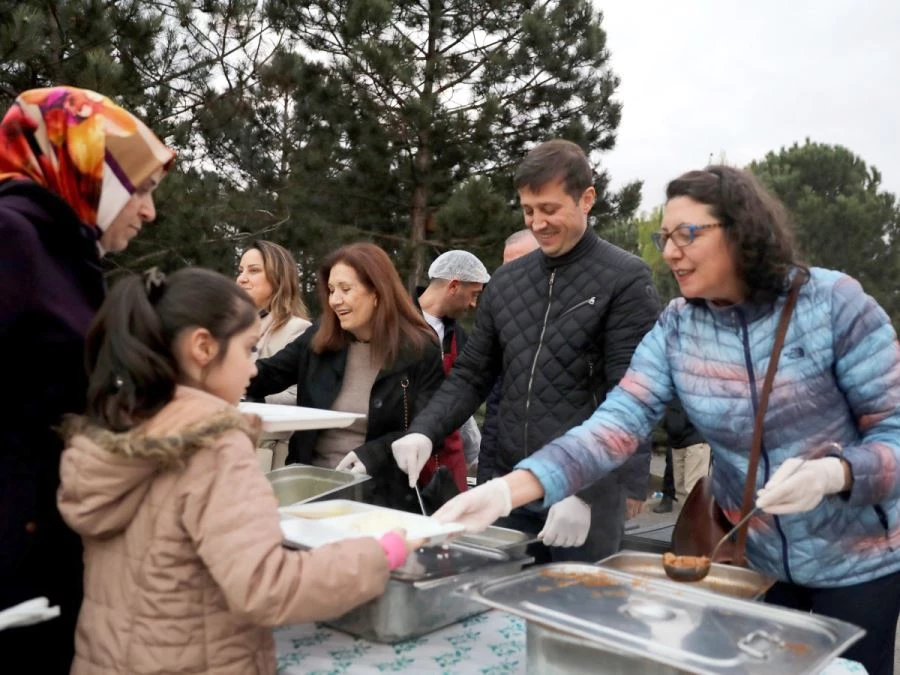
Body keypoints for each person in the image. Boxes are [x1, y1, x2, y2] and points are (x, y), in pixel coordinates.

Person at [435, 165, 900, 675]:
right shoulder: (679, 325)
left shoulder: (834, 304)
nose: (669, 251)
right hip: (751, 559)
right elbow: (615, 423)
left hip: (861, 560)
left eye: (688, 234)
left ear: (744, 230)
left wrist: (836, 473)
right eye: (664, 236)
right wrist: (510, 490)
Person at [56, 267, 412, 674]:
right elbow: (267, 587)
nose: (254, 370)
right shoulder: (213, 447)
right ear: (203, 348)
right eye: (248, 350)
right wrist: (379, 554)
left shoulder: (122, 428)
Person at [392, 139, 660, 562]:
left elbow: (632, 399)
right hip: (512, 486)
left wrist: (588, 494)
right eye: (528, 211)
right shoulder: (507, 282)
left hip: (584, 492)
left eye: (550, 209)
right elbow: (471, 374)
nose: (538, 223)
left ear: (586, 199)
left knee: (573, 613)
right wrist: (425, 429)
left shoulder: (624, 280)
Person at [0, 86, 175, 672]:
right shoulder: (12, 238)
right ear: (86, 167)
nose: (149, 211)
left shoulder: (65, 251)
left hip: (46, 547)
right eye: (142, 189)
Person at [246, 243, 445, 512]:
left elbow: (428, 427)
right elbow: (267, 374)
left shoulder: (420, 350)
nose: (334, 300)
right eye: (331, 290)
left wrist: (374, 455)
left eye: (345, 289)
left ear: (377, 291)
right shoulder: (319, 338)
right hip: (308, 488)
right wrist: (222, 366)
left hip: (378, 497)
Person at [416, 249, 491, 492]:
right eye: (473, 294)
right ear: (453, 286)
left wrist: (474, 451)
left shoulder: (460, 337)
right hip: (407, 454)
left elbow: (461, 400)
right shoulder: (399, 323)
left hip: (450, 458)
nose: (473, 304)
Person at [237, 240, 312, 470]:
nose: (242, 278)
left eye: (254, 270)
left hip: (265, 456)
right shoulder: (229, 328)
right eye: (240, 271)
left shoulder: (298, 329)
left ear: (278, 277)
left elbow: (297, 395)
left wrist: (240, 399)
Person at [653, 398, 709, 513]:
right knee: (681, 490)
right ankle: (689, 526)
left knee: (693, 489)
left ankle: (696, 527)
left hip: (696, 439)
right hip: (677, 441)